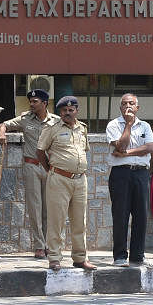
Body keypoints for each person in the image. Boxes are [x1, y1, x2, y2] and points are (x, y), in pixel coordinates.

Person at [0, 88, 60, 259]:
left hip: (51, 168)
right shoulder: (25, 119)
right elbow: (4, 124)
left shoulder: (56, 121)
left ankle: (49, 244)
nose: (31, 104)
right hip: (31, 166)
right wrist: (2, 133)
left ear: (44, 103)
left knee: (49, 208)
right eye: (30, 102)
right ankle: (39, 246)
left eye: (35, 102)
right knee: (35, 208)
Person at [37, 95, 95, 271]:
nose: (68, 113)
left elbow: (84, 150)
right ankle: (54, 257)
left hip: (80, 180)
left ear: (76, 111)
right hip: (59, 179)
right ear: (60, 112)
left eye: (71, 110)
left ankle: (79, 258)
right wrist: (51, 170)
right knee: (57, 220)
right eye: (64, 111)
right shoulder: (51, 128)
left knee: (80, 221)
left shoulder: (82, 128)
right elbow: (40, 151)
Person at [106, 93, 153, 266]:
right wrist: (128, 124)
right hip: (121, 174)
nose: (128, 106)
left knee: (141, 216)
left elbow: (149, 147)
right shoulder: (113, 125)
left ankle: (137, 256)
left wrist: (125, 153)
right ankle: (119, 256)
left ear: (137, 107)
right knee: (120, 214)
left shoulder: (145, 126)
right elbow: (120, 145)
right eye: (125, 103)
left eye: (131, 103)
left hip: (141, 173)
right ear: (120, 107)